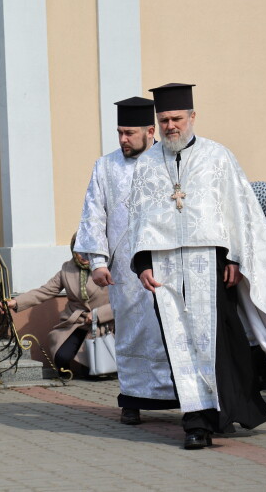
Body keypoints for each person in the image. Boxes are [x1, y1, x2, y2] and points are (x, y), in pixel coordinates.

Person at [129, 83, 266, 449]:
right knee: (180, 344)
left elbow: (238, 212)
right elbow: (138, 217)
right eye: (164, 120)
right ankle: (196, 422)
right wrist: (142, 262)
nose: (170, 126)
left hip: (211, 265)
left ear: (192, 117)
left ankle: (221, 412)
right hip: (164, 267)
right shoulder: (146, 165)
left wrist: (235, 257)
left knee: (220, 344)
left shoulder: (217, 157)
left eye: (177, 118)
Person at [74, 97, 178, 426]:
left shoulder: (171, 161)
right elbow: (93, 215)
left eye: (129, 133)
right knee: (133, 333)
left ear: (151, 131)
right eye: (119, 132)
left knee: (171, 331)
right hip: (124, 272)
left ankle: (185, 396)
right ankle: (133, 398)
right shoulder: (105, 167)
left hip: (168, 266)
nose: (122, 140)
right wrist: (97, 262)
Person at [6, 235, 114, 376]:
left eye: (89, 251)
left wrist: (98, 315)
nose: (84, 256)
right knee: (61, 357)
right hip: (76, 322)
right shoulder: (67, 270)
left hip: (102, 325)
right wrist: (16, 302)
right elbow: (45, 291)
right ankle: (68, 373)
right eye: (80, 251)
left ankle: (103, 369)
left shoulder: (108, 268)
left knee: (96, 371)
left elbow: (123, 299)